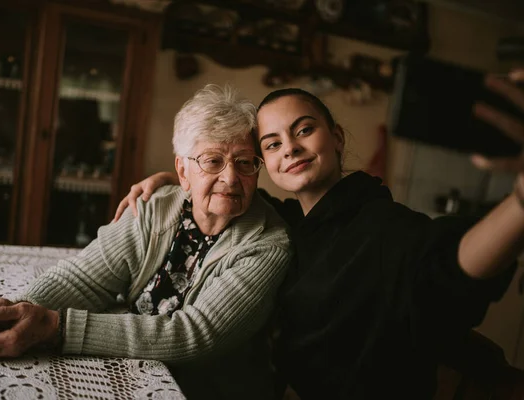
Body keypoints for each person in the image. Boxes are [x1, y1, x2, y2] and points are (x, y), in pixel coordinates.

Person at [113, 69, 524, 399]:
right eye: (271, 144)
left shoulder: (383, 226)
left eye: (304, 130)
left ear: (337, 137)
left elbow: (450, 266)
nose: (288, 148)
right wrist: (179, 178)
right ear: (264, 164)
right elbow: (227, 191)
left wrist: (520, 201)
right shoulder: (289, 220)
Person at [0, 85, 293, 399]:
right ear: (182, 170)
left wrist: (54, 328)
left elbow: (194, 335)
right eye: (213, 161)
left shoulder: (268, 244)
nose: (231, 177)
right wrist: (12, 314)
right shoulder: (155, 206)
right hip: (134, 369)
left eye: (245, 162)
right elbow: (85, 279)